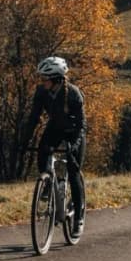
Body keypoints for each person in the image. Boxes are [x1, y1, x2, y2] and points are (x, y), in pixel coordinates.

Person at [26, 56, 87, 235]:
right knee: (42, 150)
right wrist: (24, 141)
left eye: (45, 78)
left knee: (74, 171)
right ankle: (47, 183)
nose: (42, 82)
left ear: (56, 79)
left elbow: (82, 125)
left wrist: (73, 146)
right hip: (55, 128)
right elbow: (33, 119)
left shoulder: (74, 94)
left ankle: (79, 216)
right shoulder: (41, 92)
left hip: (74, 131)